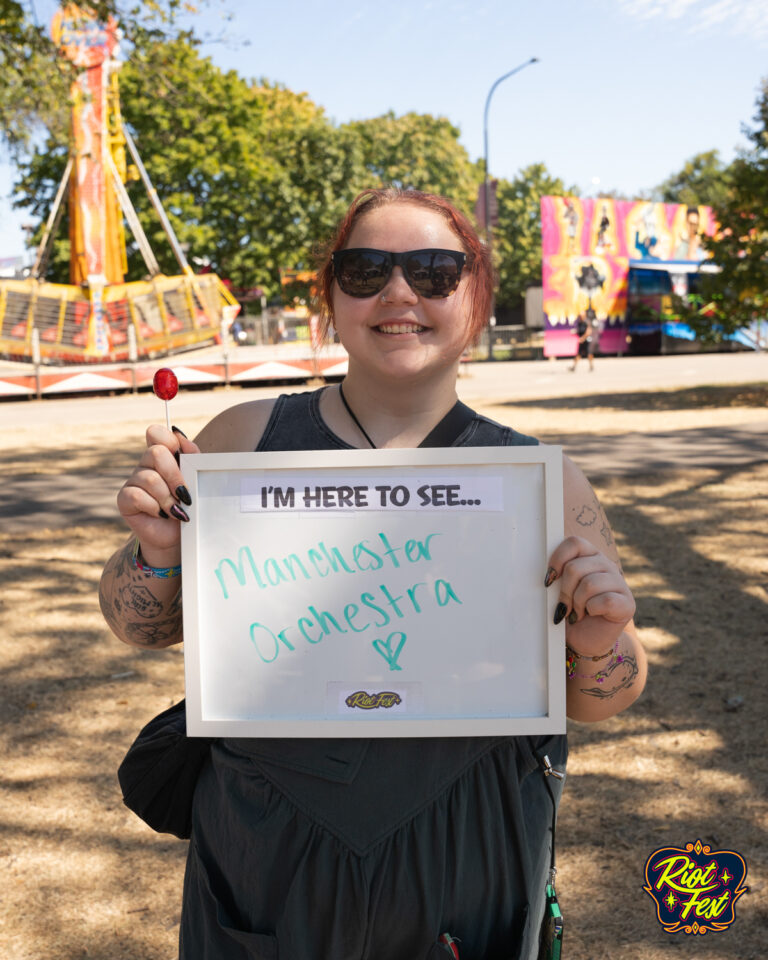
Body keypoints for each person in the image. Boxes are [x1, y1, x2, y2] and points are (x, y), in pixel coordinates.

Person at [99, 188, 647, 960]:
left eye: (433, 270)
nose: (398, 293)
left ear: (476, 292)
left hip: (469, 843)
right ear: (330, 294)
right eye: (365, 270)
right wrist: (155, 555)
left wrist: (598, 639)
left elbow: (607, 696)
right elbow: (140, 627)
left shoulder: (544, 482)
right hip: (268, 840)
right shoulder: (241, 444)